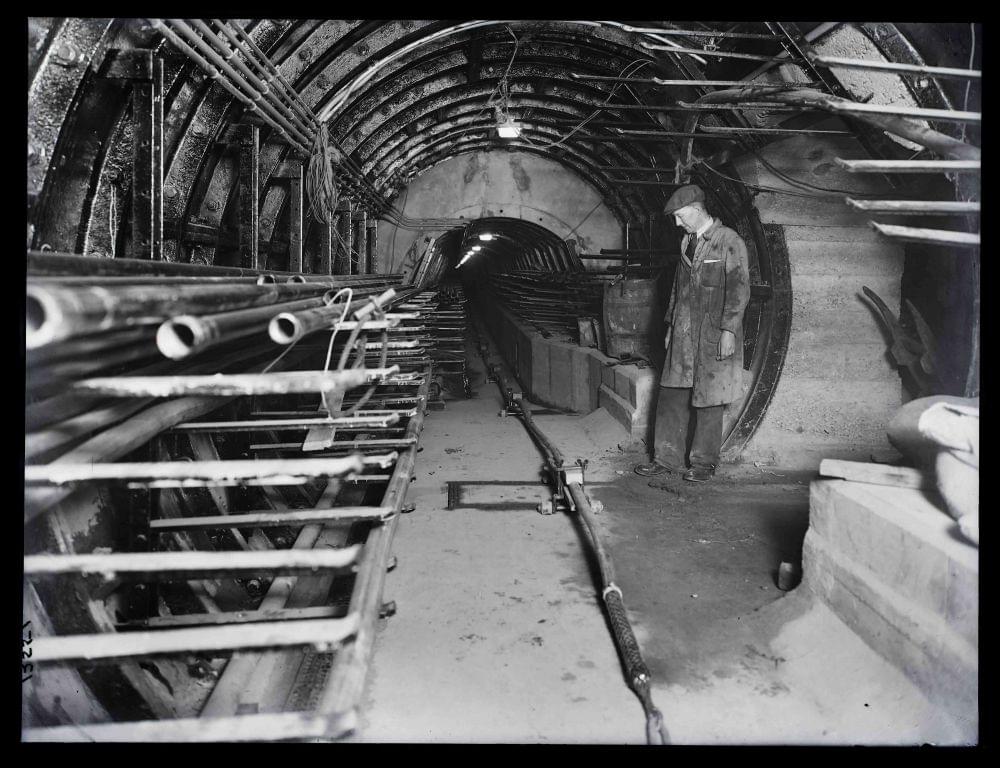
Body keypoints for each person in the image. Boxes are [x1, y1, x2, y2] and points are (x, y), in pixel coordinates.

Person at [634, 184, 750, 483]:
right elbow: (679, 289)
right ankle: (666, 459)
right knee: (672, 394)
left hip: (713, 333)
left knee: (710, 398)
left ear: (697, 210)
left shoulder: (729, 241)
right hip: (683, 332)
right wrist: (671, 325)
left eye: (681, 216)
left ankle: (703, 463)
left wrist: (728, 330)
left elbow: (739, 289)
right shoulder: (687, 242)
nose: (677, 223)